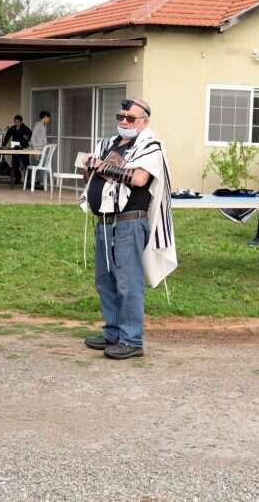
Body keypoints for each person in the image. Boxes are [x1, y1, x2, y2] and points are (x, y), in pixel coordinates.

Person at [78, 98, 177, 359]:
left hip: (129, 222)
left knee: (128, 281)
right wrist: (89, 167)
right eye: (120, 116)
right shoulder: (108, 144)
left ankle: (131, 340)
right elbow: (91, 177)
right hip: (105, 221)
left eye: (130, 118)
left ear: (144, 121)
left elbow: (139, 178)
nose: (123, 121)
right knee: (105, 280)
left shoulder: (150, 147)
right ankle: (112, 333)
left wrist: (101, 167)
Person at [1, 115, 32, 185]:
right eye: (15, 122)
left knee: (25, 163)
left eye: (18, 122)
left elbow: (30, 135)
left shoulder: (25, 128)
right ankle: (18, 179)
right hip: (15, 147)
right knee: (15, 163)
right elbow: (7, 135)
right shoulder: (13, 128)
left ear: (21, 122)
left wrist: (27, 137)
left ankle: (28, 181)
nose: (16, 123)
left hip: (23, 148)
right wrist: (4, 144)